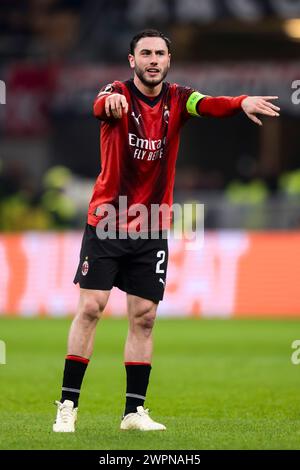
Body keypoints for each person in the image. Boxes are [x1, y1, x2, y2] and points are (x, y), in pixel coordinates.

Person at [53, 29, 280, 432]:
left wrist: (240, 101)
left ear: (169, 60)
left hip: (153, 225)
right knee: (91, 308)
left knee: (144, 317)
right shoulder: (116, 92)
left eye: (160, 53)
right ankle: (67, 406)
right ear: (132, 60)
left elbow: (208, 104)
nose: (153, 59)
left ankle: (132, 413)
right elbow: (100, 102)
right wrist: (112, 101)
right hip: (107, 219)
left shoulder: (179, 98)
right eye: (145, 53)